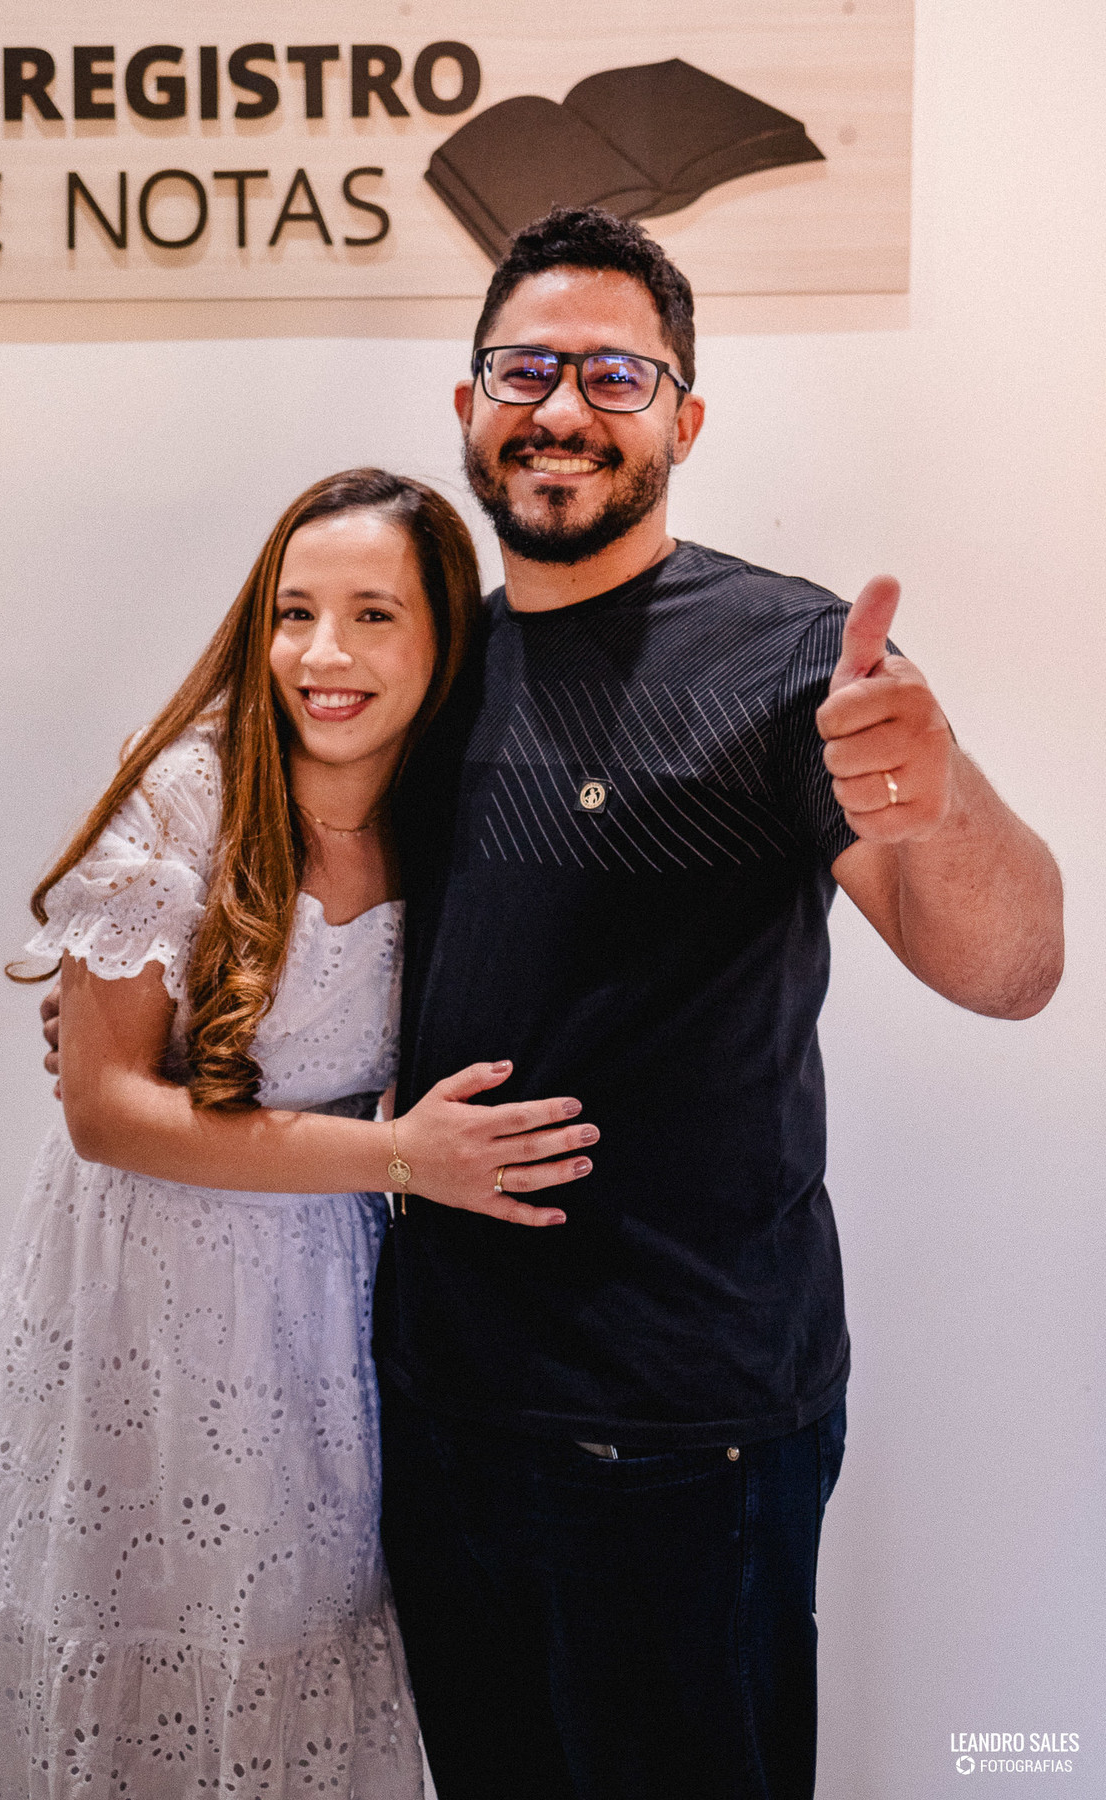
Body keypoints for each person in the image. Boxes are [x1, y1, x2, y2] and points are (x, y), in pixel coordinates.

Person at [365, 210, 1065, 1800]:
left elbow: (1015, 974)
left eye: (617, 374)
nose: (563, 408)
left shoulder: (791, 660)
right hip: (435, 1403)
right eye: (525, 368)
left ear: (684, 419)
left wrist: (936, 804)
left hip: (684, 1434)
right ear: (466, 405)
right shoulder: (422, 661)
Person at [0, 468, 599, 1800]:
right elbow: (103, 1108)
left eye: (372, 615)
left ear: (443, 643)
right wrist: (399, 1156)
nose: (322, 654)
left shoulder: (458, 820)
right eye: (293, 612)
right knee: (154, 1644)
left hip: (326, 1314)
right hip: (148, 1303)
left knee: (309, 1644)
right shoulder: (188, 803)